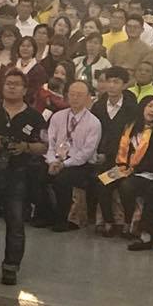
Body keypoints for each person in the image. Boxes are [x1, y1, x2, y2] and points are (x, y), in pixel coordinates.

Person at [0, 69, 47, 285]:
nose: (12, 87)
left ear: (25, 89)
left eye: (16, 84)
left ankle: (11, 267)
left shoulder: (34, 117)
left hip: (19, 175)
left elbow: (43, 146)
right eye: (8, 83)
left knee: (16, 222)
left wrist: (25, 147)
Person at [37, 81, 102, 232]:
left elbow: (86, 153)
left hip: (81, 164)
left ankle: (63, 219)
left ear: (88, 98)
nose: (75, 98)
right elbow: (50, 144)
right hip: (57, 158)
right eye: (72, 94)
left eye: (80, 95)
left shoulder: (94, 123)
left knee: (63, 179)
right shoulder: (58, 117)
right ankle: (45, 215)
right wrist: (52, 161)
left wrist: (64, 164)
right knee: (38, 172)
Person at [98, 96, 153, 238]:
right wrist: (122, 166)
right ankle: (109, 222)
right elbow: (119, 148)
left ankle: (128, 223)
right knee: (102, 181)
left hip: (145, 173)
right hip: (123, 168)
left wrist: (133, 169)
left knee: (126, 186)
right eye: (150, 106)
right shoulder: (130, 125)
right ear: (142, 107)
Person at [107, 15, 153, 82]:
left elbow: (146, 73)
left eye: (135, 27)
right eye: (129, 26)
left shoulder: (149, 50)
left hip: (136, 83)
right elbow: (109, 67)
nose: (132, 29)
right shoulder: (116, 47)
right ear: (125, 28)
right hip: (114, 81)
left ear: (142, 30)